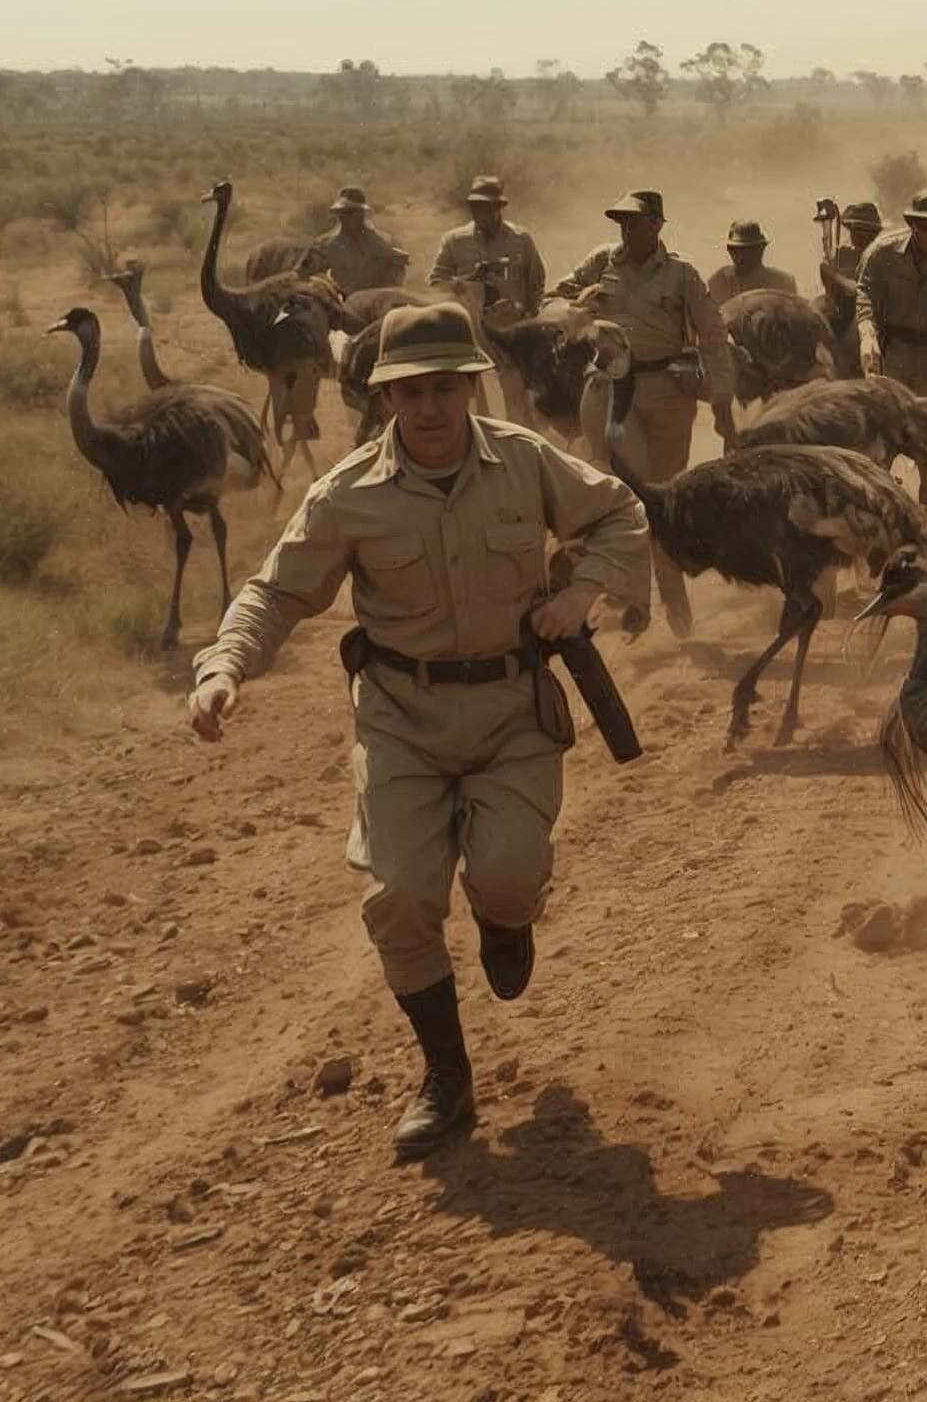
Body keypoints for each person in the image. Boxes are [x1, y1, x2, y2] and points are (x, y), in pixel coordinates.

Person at [187, 302, 648, 1158]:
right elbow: (276, 592)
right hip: (401, 719)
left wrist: (584, 591)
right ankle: (447, 1077)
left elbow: (619, 512)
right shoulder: (347, 494)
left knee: (508, 874)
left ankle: (505, 919)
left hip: (512, 714)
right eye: (410, 392)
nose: (429, 407)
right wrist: (224, 666)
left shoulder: (523, 461)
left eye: (444, 388)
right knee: (397, 897)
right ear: (386, 397)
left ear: (471, 387)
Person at [549, 191, 736, 636]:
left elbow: (714, 336)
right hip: (614, 391)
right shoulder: (599, 262)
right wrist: (575, 308)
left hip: (668, 392)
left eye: (634, 222)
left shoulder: (681, 274)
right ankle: (633, 599)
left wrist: (722, 402)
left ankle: (672, 597)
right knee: (629, 494)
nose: (625, 229)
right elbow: (550, 300)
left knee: (664, 500)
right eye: (621, 221)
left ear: (656, 225)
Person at [855, 192, 927, 399]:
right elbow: (865, 292)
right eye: (922, 225)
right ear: (912, 224)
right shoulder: (882, 253)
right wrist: (867, 334)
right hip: (894, 352)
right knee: (891, 410)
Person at [427, 175, 549, 325]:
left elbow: (537, 285)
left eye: (487, 206)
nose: (480, 212)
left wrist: (529, 318)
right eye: (475, 206)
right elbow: (437, 284)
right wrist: (470, 279)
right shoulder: (454, 240)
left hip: (513, 326)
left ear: (498, 207)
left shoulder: (521, 239)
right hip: (470, 327)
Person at [816, 199, 880, 376]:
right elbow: (827, 277)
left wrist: (837, 278)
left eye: (866, 232)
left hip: (867, 311)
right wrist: (829, 274)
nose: (859, 236)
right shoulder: (843, 253)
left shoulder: (880, 256)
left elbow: (859, 289)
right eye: (855, 230)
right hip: (839, 309)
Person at [311, 187, 412, 296]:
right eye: (342, 212)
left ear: (362, 213)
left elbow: (397, 280)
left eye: (352, 212)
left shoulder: (386, 243)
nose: (346, 217)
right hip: (335, 302)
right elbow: (308, 277)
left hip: (374, 302)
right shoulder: (322, 245)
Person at [707, 219, 797, 303]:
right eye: (734, 249)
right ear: (729, 250)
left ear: (761, 248)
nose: (740, 255)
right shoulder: (720, 280)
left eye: (749, 249)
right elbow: (709, 312)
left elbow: (796, 313)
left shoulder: (783, 281)